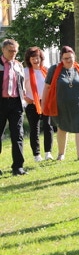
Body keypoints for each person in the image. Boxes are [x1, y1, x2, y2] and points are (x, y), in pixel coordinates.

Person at [42, 46, 79, 161]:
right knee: (62, 128)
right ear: (61, 59)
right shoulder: (54, 69)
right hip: (60, 106)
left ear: (74, 57)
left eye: (70, 58)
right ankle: (61, 154)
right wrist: (43, 105)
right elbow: (47, 88)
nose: (68, 60)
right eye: (65, 58)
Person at [22, 46, 54, 162]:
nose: (36, 60)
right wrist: (26, 98)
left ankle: (48, 153)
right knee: (34, 129)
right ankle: (37, 155)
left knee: (48, 126)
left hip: (45, 102)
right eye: (33, 58)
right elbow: (20, 88)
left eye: (37, 58)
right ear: (29, 60)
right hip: (32, 104)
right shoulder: (25, 72)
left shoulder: (46, 70)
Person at [1, 38, 28, 175]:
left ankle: (18, 167)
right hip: (1, 102)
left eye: (15, 51)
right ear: (3, 50)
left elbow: (22, 85)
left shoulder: (18, 65)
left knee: (18, 135)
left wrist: (23, 99)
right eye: (10, 51)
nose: (13, 53)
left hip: (16, 103)